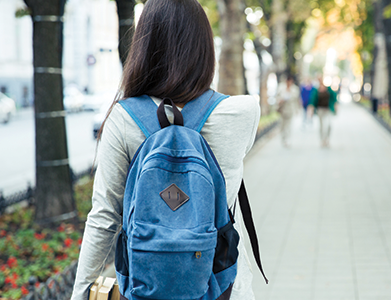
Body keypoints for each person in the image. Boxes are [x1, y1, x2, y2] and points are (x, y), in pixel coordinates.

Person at [71, 1, 260, 299]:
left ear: (144, 46)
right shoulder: (244, 111)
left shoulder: (122, 118)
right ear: (203, 48)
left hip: (147, 287)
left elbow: (104, 216)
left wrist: (81, 293)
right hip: (224, 287)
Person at [308, 76, 337, 147]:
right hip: (320, 110)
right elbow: (312, 101)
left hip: (328, 110)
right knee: (321, 126)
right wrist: (311, 110)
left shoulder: (329, 89)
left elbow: (334, 99)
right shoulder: (316, 90)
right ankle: (322, 140)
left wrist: (336, 108)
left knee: (329, 125)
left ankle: (327, 139)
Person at [276, 76, 300, 146]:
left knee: (289, 125)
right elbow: (277, 97)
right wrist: (280, 100)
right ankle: (283, 138)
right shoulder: (281, 87)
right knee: (282, 125)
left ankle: (287, 139)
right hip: (282, 109)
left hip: (290, 109)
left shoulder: (295, 89)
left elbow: (296, 100)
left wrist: (297, 109)